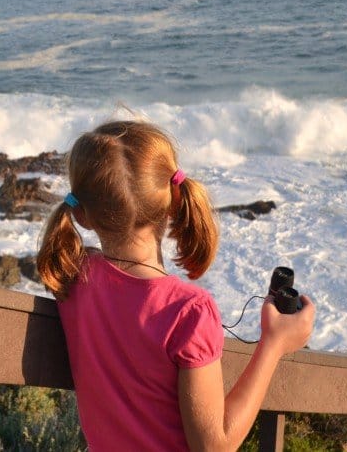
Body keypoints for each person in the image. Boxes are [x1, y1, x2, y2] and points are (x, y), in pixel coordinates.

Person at [37, 120, 314, 452]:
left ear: (81, 215)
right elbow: (215, 446)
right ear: (173, 199)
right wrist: (274, 344)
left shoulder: (73, 278)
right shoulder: (187, 310)